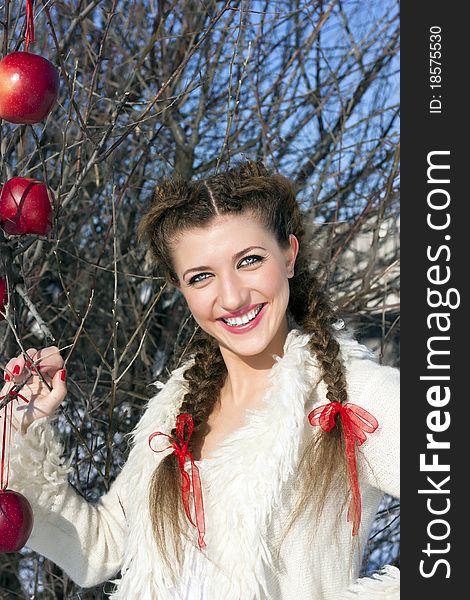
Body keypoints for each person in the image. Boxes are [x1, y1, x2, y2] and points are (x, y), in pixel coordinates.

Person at [1, 160, 400, 599]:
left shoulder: (356, 396)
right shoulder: (174, 414)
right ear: (180, 287)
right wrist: (26, 428)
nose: (231, 296)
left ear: (288, 255)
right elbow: (98, 547)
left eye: (249, 260)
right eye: (202, 276)